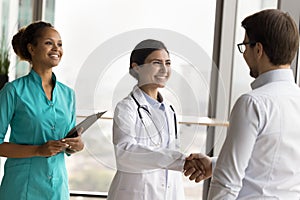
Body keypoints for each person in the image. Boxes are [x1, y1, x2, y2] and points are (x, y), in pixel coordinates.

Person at [186, 9, 300, 199]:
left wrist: (221, 170)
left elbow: (227, 182)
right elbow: (279, 164)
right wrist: (215, 164)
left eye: (245, 46)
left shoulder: (253, 103)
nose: (244, 53)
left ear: (258, 49)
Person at [107, 39, 204, 200]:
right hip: (136, 193)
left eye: (168, 63)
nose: (164, 69)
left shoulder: (169, 109)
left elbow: (170, 153)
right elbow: (124, 153)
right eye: (156, 63)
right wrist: (180, 161)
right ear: (136, 67)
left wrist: (184, 163)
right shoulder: (126, 107)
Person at [0, 21, 84, 200]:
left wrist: (77, 145)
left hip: (57, 189)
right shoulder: (13, 91)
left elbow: (69, 141)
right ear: (31, 48)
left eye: (59, 44)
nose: (56, 48)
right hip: (22, 188)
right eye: (49, 43)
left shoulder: (68, 94)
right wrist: (38, 150)